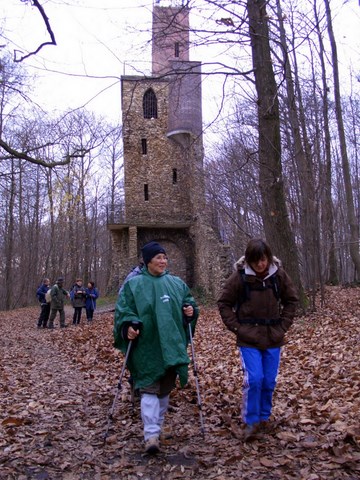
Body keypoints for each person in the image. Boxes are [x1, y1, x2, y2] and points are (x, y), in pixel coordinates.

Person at [114, 241, 199, 455]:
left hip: (170, 344)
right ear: (147, 260)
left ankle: (158, 427)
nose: (163, 261)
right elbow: (124, 311)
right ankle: (150, 434)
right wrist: (128, 327)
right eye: (158, 257)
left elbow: (188, 302)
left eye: (165, 257)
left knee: (164, 390)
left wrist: (190, 311)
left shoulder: (176, 283)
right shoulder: (134, 285)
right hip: (147, 346)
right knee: (148, 387)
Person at [217, 238, 299, 441]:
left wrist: (282, 327)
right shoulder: (240, 277)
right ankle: (251, 420)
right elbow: (224, 303)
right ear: (250, 261)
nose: (260, 265)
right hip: (249, 338)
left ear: (268, 258)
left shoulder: (278, 275)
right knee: (254, 379)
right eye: (256, 261)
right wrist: (238, 328)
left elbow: (291, 301)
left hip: (273, 336)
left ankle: (264, 417)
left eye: (263, 260)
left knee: (269, 380)